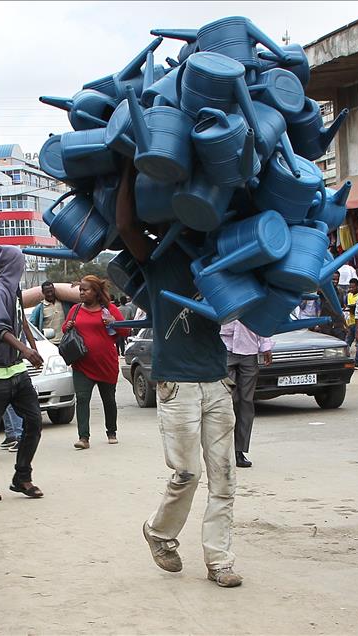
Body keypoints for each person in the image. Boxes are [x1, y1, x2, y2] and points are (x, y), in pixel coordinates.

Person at [115, 161, 242, 588]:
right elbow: (126, 224)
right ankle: (159, 532)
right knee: (187, 474)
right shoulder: (158, 259)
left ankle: (219, 560)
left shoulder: (225, 260)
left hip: (216, 380)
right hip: (177, 385)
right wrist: (130, 171)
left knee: (224, 475)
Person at [0, 246, 45, 502]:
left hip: (17, 372)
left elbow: (20, 322)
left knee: (34, 422)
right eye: (20, 262)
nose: (22, 267)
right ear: (11, 265)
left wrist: (33, 346)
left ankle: (21, 477)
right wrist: (25, 350)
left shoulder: (14, 291)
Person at [63, 276, 130, 449]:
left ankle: (111, 431)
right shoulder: (76, 310)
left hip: (106, 364)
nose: (82, 293)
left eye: (86, 290)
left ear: (96, 291)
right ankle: (83, 438)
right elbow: (65, 329)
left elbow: (126, 330)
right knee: (82, 399)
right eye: (81, 290)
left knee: (108, 399)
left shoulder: (109, 309)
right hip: (82, 364)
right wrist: (68, 326)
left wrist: (114, 323)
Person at [220, 321, 273, 468]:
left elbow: (263, 319)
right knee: (228, 401)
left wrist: (266, 347)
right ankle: (223, 449)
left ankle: (239, 450)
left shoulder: (257, 298)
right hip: (225, 348)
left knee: (246, 402)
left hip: (249, 349)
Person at [0, 265, 24, 451]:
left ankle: (16, 434)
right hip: (5, 361)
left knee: (9, 403)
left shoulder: (9, 293)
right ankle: (14, 434)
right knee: (7, 403)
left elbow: (14, 324)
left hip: (7, 362)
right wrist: (27, 349)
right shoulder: (0, 294)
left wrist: (27, 349)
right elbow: (4, 328)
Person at [344, 278, 358, 368]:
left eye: (353, 287)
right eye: (350, 287)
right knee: (347, 343)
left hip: (357, 322)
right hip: (350, 322)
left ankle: (357, 363)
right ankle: (345, 359)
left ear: (357, 287)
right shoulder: (348, 295)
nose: (351, 289)